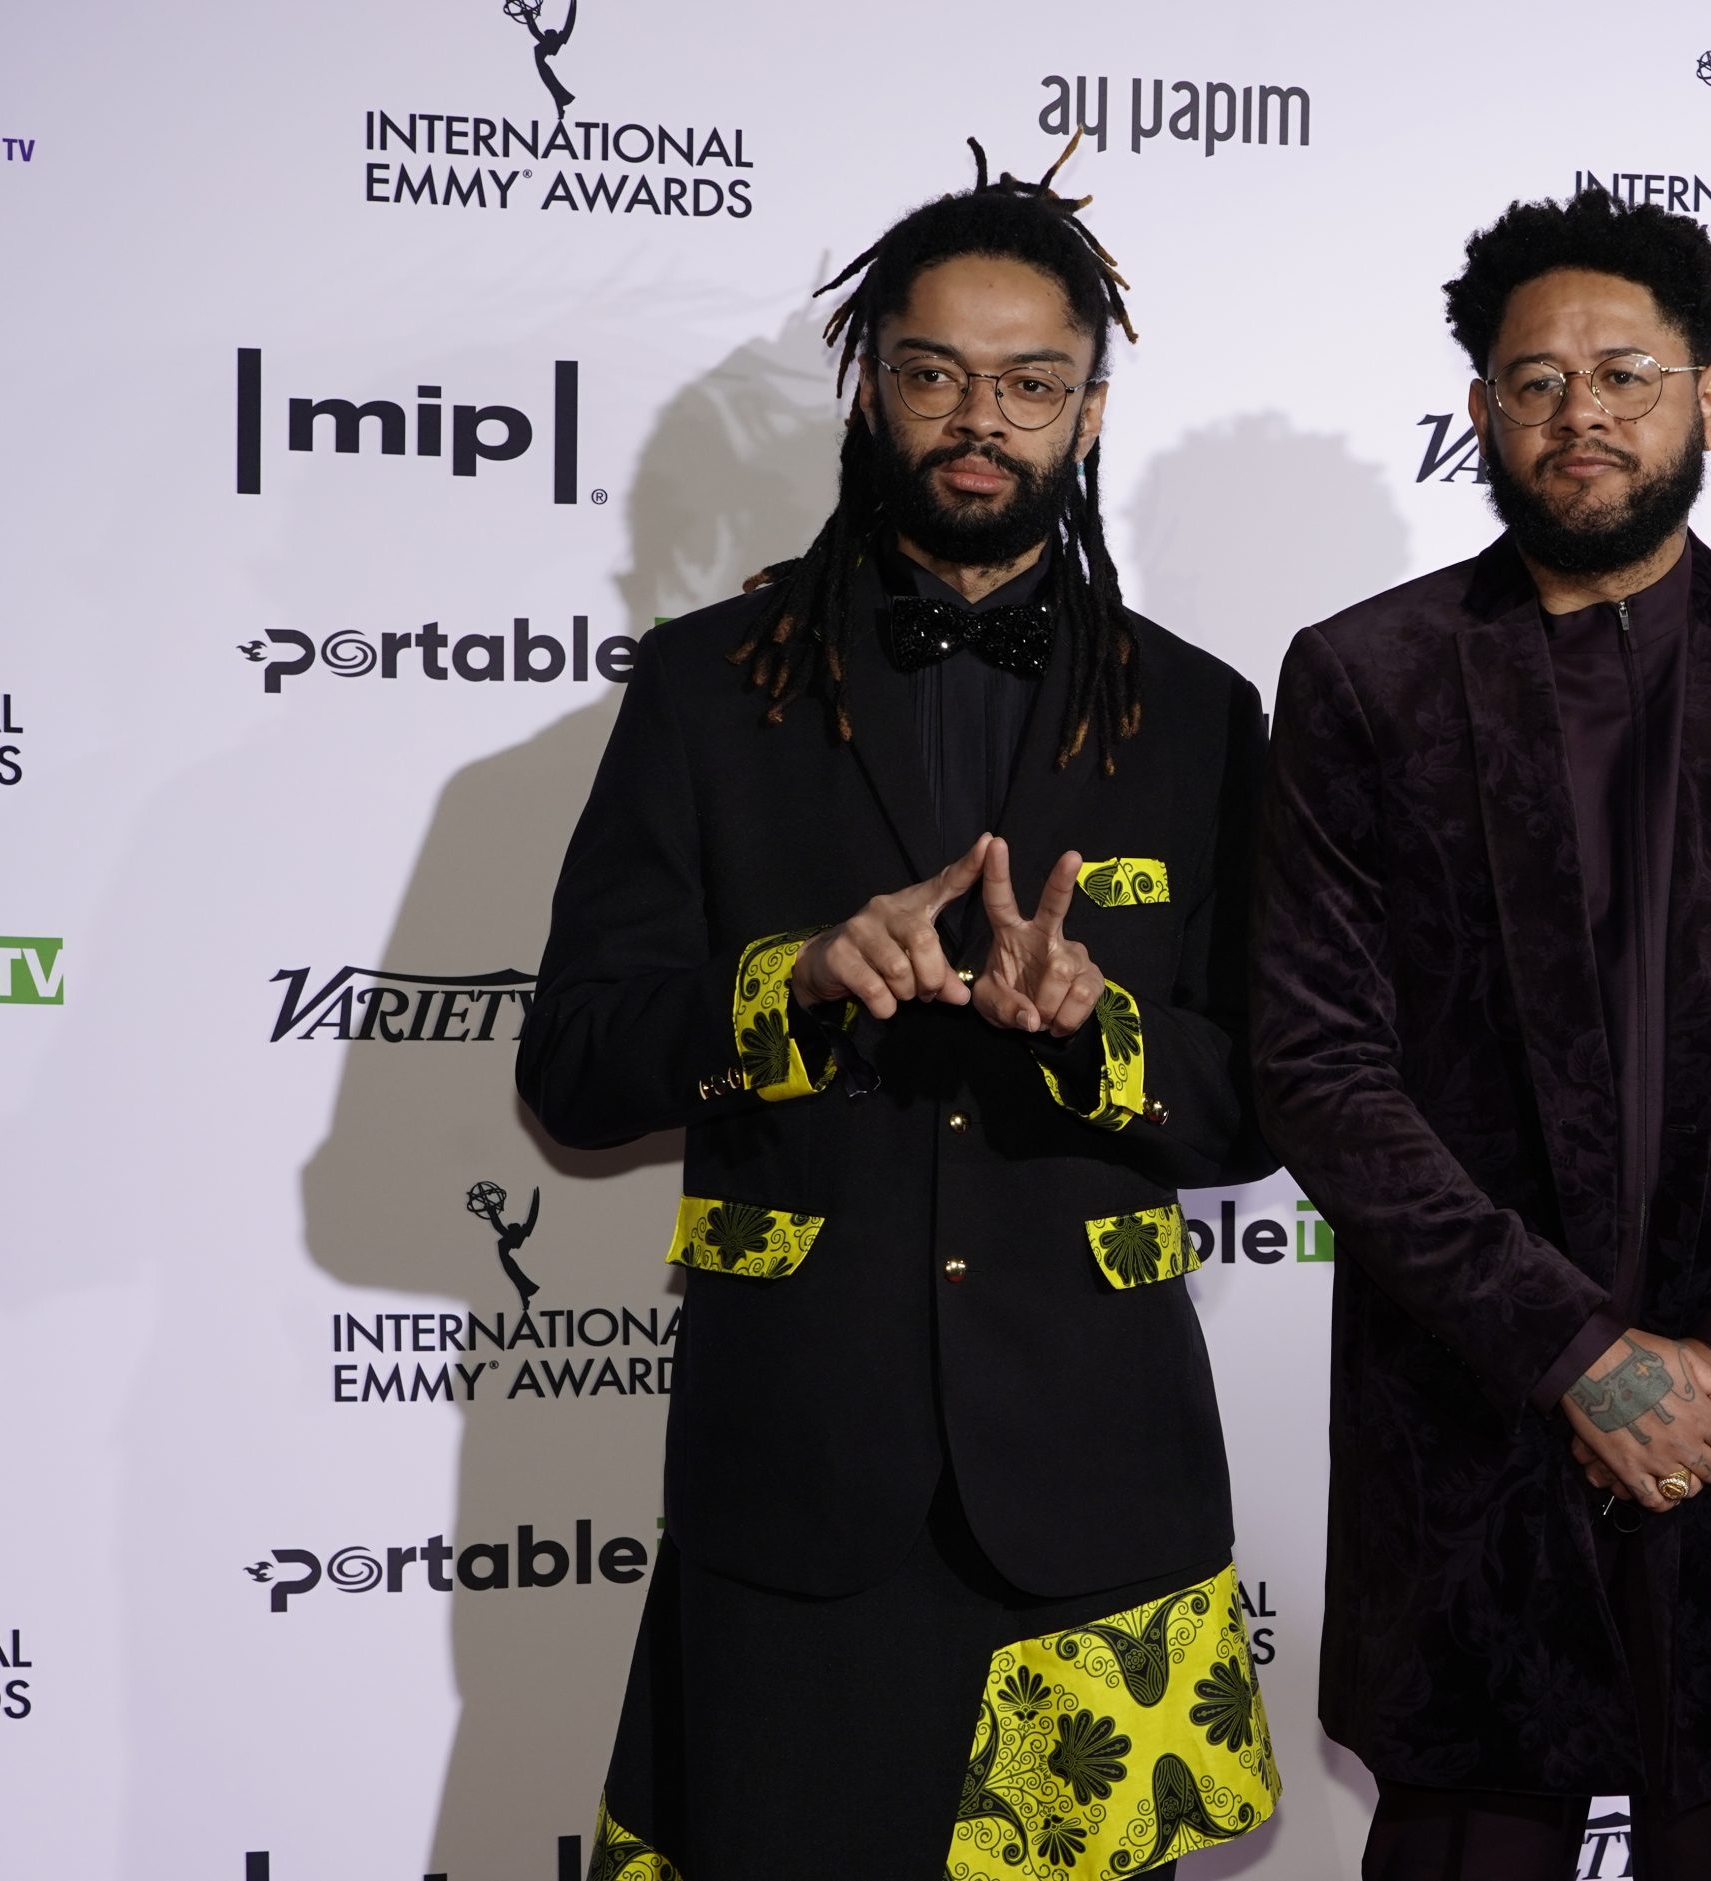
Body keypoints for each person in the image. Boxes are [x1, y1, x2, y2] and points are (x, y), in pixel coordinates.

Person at [518, 138, 1279, 1881]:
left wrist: (1098, 1035)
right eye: (935, 373)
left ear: (1090, 414)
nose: (979, 419)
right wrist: (781, 988)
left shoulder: (1205, 716)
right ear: (868, 390)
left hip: (1097, 1489)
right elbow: (571, 1064)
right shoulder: (711, 692)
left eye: (1030, 383)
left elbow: (1264, 1112)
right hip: (794, 1482)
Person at [1249, 187, 1711, 1880]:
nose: (1577, 411)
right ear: (1482, 415)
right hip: (1474, 1434)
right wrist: (1579, 1352)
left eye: (1625, 371)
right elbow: (1319, 1065)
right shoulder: (1367, 679)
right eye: (1531, 381)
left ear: (1709, 397)